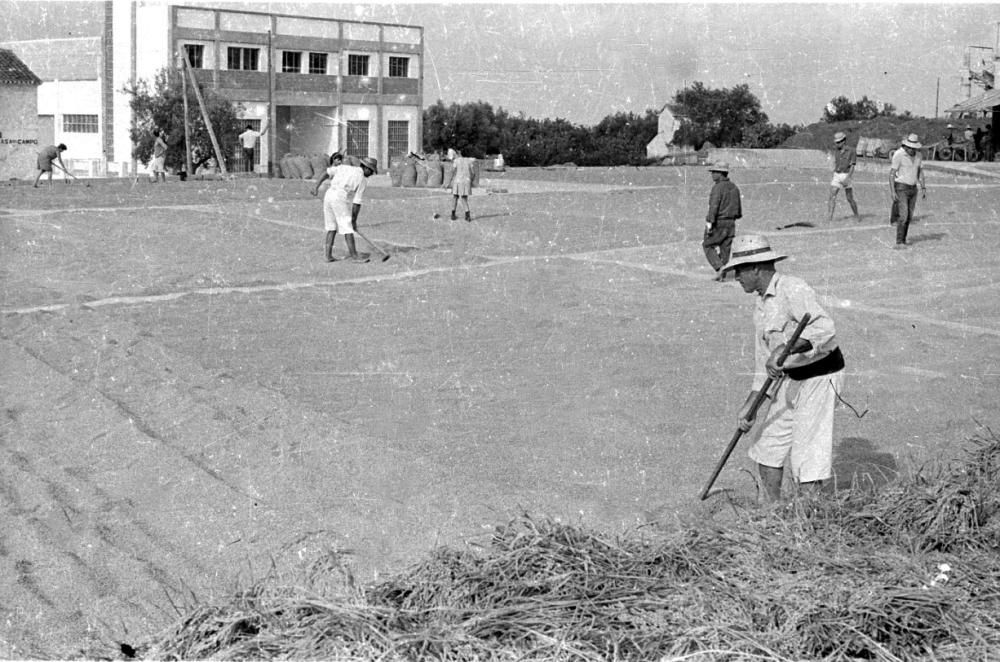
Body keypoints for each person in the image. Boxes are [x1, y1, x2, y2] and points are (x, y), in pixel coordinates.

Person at [722, 234, 846, 502]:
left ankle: (812, 519)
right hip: (792, 378)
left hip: (821, 377)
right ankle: (773, 513)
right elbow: (762, 366)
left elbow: (824, 329)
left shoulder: (793, 288)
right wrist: (749, 407)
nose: (737, 277)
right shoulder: (761, 306)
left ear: (756, 268)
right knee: (766, 447)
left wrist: (788, 347)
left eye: (739, 271)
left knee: (807, 458)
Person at [311, 153, 377, 263]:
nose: (371, 174)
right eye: (370, 170)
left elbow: (326, 173)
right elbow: (357, 202)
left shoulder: (344, 167)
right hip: (339, 198)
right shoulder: (362, 180)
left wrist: (316, 187)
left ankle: (328, 256)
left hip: (328, 195)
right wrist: (354, 221)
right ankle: (354, 256)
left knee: (331, 227)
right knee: (347, 227)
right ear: (365, 167)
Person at [703, 161, 742, 281]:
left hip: (719, 222)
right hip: (731, 223)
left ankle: (719, 268)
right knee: (725, 249)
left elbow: (714, 206)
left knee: (707, 245)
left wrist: (710, 223)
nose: (712, 175)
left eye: (714, 172)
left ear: (721, 173)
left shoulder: (717, 188)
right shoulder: (734, 187)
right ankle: (724, 274)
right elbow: (739, 209)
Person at [888, 133, 926, 249]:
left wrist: (923, 187)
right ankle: (899, 242)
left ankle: (903, 240)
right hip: (901, 187)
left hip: (913, 188)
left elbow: (920, 172)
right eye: (910, 148)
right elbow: (891, 174)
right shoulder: (899, 155)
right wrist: (892, 191)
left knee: (909, 217)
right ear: (906, 146)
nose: (911, 150)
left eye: (913, 148)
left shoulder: (919, 156)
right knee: (903, 216)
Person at [827, 131, 860, 223]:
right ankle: (829, 218)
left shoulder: (852, 151)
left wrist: (848, 178)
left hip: (846, 175)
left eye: (838, 142)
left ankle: (856, 215)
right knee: (832, 196)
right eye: (836, 142)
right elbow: (835, 163)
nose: (836, 144)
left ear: (843, 141)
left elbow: (853, 166)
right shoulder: (836, 151)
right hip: (837, 175)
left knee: (849, 198)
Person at [449, 150, 474, 222]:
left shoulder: (456, 161)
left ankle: (453, 214)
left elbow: (453, 171)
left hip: (458, 180)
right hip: (466, 181)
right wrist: (471, 181)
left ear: (460, 153)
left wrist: (449, 181)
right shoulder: (470, 161)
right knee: (464, 198)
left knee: (455, 197)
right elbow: (473, 173)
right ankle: (467, 215)